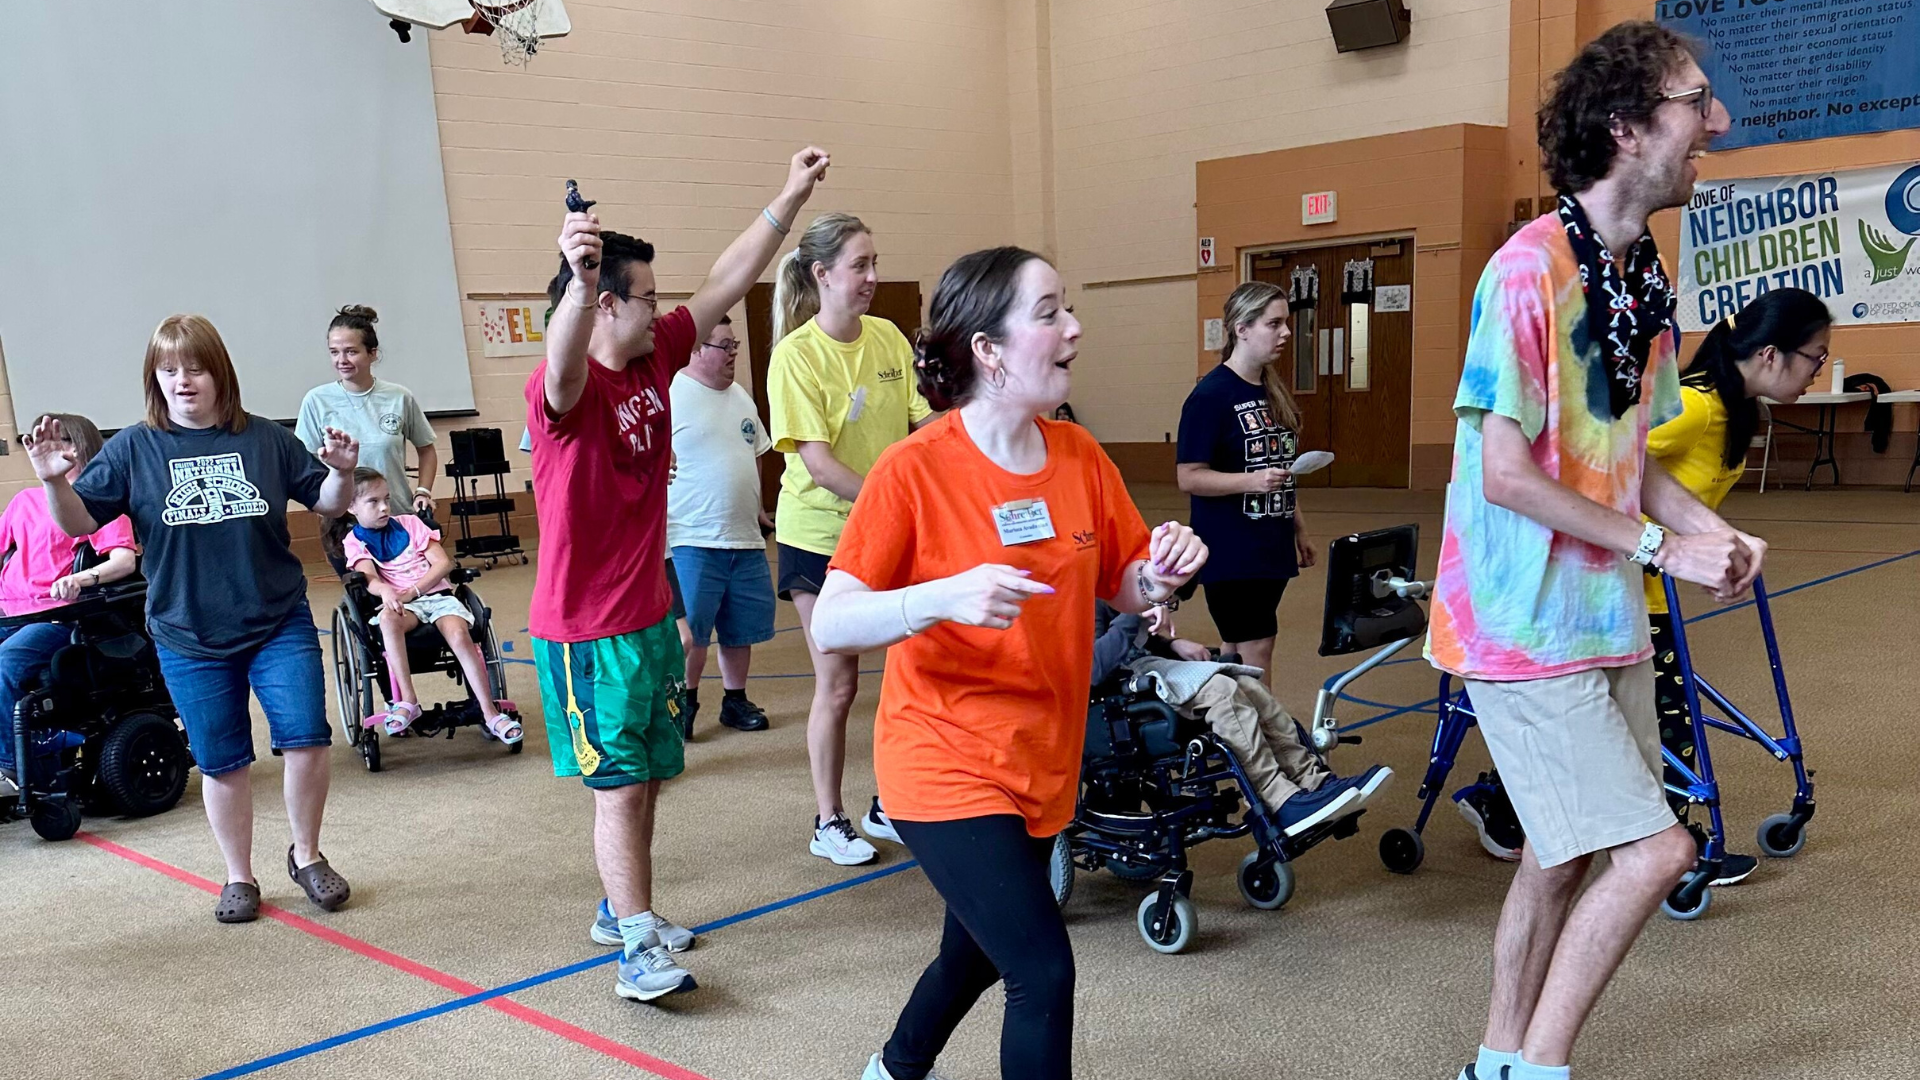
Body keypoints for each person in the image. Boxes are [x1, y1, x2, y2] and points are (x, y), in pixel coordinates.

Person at [1429, 25, 1764, 1080]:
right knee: (1659, 851)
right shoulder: (1527, 273)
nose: (1718, 122)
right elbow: (1508, 474)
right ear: (1627, 128)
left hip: (1602, 614)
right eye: (1696, 102)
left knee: (1560, 851)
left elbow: (1627, 462)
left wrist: (1714, 533)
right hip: (1519, 625)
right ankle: (1539, 1069)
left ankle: (1496, 1058)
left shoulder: (1638, 276)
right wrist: (1668, 548)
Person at [809, 246, 1207, 1080]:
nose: (1074, 328)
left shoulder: (1079, 457)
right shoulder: (913, 468)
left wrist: (1162, 572)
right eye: (1050, 311)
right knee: (1042, 968)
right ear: (988, 350)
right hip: (943, 760)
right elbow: (836, 621)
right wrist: (938, 598)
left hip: (1040, 760)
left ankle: (891, 1069)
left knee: (980, 954)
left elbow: (1126, 583)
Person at [529, 146, 831, 1003]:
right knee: (620, 785)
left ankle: (624, 907)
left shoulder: (657, 353)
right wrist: (578, 278)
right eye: (645, 296)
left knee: (654, 768)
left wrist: (787, 192)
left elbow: (729, 279)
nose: (665, 311)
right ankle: (633, 948)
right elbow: (560, 364)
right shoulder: (569, 389)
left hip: (650, 612)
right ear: (606, 303)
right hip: (587, 630)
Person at [33, 315, 362, 924]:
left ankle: (308, 856)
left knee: (306, 739)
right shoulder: (135, 447)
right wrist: (56, 481)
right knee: (221, 758)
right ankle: (239, 876)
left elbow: (327, 502)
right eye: (168, 370)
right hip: (188, 633)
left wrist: (342, 471)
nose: (182, 381)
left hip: (276, 619)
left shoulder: (265, 439)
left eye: (195, 367)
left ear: (220, 373)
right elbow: (80, 522)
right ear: (154, 379)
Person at [766, 212, 934, 866]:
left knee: (917, 669)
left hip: (891, 531)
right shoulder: (796, 356)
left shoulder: (889, 337)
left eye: (874, 262)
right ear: (822, 274)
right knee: (838, 686)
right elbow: (819, 464)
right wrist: (898, 501)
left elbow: (923, 426)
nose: (871, 277)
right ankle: (828, 818)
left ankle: (890, 801)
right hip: (821, 537)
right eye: (859, 265)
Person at [1090, 601, 1391, 831]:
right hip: (1117, 690)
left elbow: (1137, 639)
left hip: (1146, 667)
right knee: (1222, 691)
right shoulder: (1085, 592)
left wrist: (1171, 643)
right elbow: (1094, 668)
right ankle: (1276, 798)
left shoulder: (1117, 574)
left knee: (1248, 685)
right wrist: (1134, 611)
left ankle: (1311, 780)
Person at [1175, 280, 1316, 686]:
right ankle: (1264, 741)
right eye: (1274, 324)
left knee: (1239, 649)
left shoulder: (1272, 391)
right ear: (1242, 328)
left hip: (1270, 541)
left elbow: (1280, 469)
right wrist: (1250, 481)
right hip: (1231, 545)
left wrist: (1298, 528)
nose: (1285, 333)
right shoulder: (1211, 396)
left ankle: (1236, 733)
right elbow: (1189, 476)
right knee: (1256, 648)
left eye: (1285, 323)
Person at [340, 467, 521, 745]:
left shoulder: (411, 524)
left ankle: (490, 712)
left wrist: (413, 591)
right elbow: (369, 579)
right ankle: (408, 701)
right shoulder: (354, 541)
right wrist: (386, 590)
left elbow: (443, 563)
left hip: (434, 596)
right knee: (388, 620)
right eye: (373, 502)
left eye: (386, 499)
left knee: (460, 634)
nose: (384, 507)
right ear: (351, 506)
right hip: (402, 606)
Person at [0, 414, 139, 776]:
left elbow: (123, 561)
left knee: (4, 664)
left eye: (54, 440)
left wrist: (83, 577)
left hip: (57, 617)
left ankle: (15, 763)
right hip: (10, 610)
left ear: (74, 448)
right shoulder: (24, 502)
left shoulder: (100, 502)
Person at [668, 315, 777, 735]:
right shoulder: (673, 394)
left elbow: (757, 448)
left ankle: (735, 699)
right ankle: (685, 703)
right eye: (724, 346)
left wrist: (758, 508)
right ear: (696, 349)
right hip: (692, 536)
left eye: (734, 346)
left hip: (744, 536)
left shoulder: (741, 397)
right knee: (692, 632)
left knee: (739, 627)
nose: (733, 353)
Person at [296, 305, 440, 574]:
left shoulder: (399, 397)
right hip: (343, 521)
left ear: (372, 353)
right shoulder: (316, 401)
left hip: (396, 514)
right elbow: (303, 461)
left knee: (411, 588)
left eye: (351, 351)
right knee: (365, 597)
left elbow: (427, 449)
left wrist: (424, 491)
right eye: (334, 352)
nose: (342, 360)